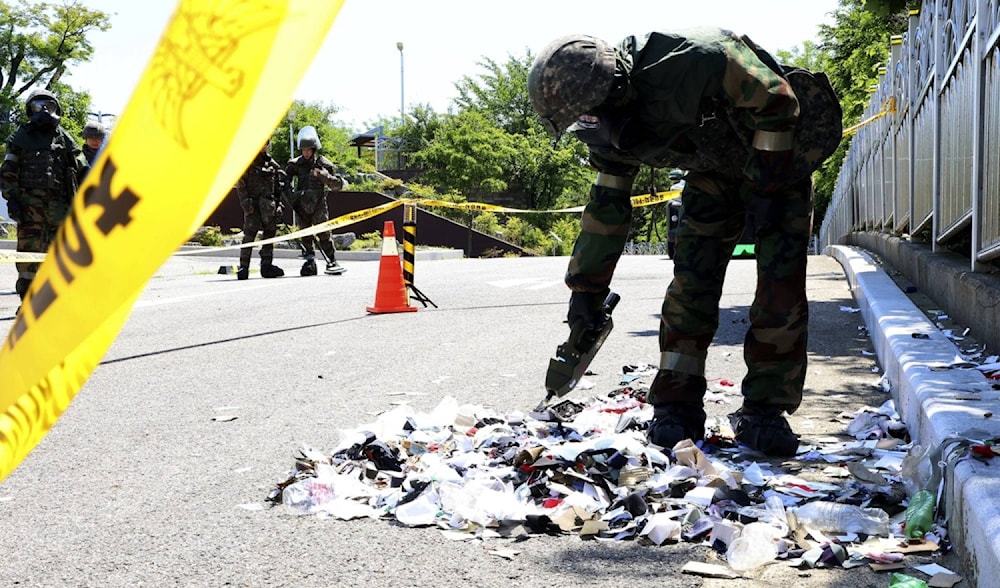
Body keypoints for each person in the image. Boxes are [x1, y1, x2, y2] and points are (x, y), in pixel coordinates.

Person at [528, 29, 841, 456]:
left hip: (777, 154)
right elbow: (607, 208)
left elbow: (779, 100)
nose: (588, 128)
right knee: (691, 281)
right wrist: (586, 291)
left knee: (779, 284)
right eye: (581, 121)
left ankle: (765, 411)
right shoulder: (604, 126)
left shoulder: (695, 60)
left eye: (589, 116)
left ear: (615, 91)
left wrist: (769, 186)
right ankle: (676, 405)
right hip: (712, 171)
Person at [0, 89, 89, 301]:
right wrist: (11, 198)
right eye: (38, 106)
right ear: (31, 110)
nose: (44, 111)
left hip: (60, 209)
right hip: (30, 211)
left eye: (48, 106)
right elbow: (8, 171)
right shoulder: (21, 136)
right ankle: (28, 305)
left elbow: (82, 169)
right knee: (28, 261)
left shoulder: (63, 138)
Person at [283, 126, 346, 276]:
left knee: (324, 234)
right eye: (303, 150)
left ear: (314, 149)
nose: (306, 152)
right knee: (305, 234)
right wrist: (292, 197)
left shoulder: (322, 164)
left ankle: (332, 260)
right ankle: (310, 261)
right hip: (301, 205)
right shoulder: (295, 164)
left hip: (319, 205)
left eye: (308, 149)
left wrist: (325, 177)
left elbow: (338, 185)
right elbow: (283, 183)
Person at [232, 141, 287, 280]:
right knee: (249, 237)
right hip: (253, 207)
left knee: (269, 237)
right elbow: (241, 185)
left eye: (265, 144)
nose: (262, 146)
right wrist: (245, 203)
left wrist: (279, 205)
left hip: (269, 208)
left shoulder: (272, 165)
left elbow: (278, 188)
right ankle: (244, 267)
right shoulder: (247, 163)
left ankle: (266, 267)